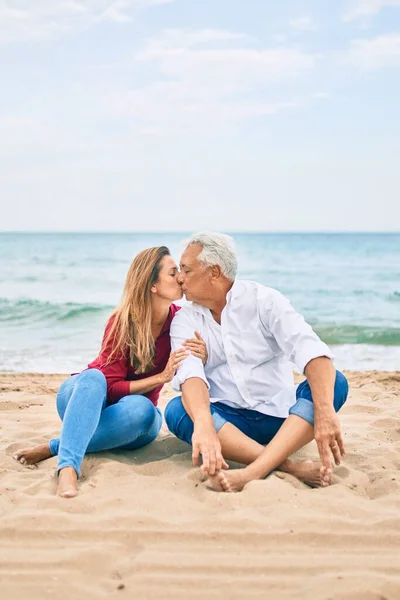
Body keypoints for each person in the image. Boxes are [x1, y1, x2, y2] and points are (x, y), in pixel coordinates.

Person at [14, 246, 207, 498]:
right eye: (173, 273)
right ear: (153, 286)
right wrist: (160, 378)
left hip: (132, 420)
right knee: (94, 377)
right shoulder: (122, 322)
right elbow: (110, 386)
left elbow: (201, 372)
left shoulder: (180, 322)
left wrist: (205, 355)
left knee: (145, 411)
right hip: (85, 399)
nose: (181, 277)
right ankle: (68, 468)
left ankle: (55, 446)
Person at [165, 232, 349, 492]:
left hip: (282, 420)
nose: (180, 278)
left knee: (335, 382)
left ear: (214, 273)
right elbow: (190, 374)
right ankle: (287, 466)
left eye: (186, 269)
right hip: (228, 426)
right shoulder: (185, 319)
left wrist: (326, 413)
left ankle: (254, 470)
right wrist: (205, 425)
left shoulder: (264, 301)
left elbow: (309, 349)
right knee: (177, 410)